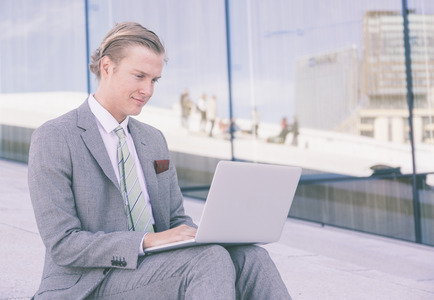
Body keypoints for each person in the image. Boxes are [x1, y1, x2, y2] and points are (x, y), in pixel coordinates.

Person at [28, 22, 291, 299]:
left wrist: (206, 235)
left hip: (157, 267)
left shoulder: (152, 140)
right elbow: (63, 243)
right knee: (208, 259)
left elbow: (175, 219)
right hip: (89, 283)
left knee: (252, 257)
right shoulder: (56, 136)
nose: (149, 90)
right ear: (107, 67)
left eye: (154, 80)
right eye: (139, 76)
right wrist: (147, 241)